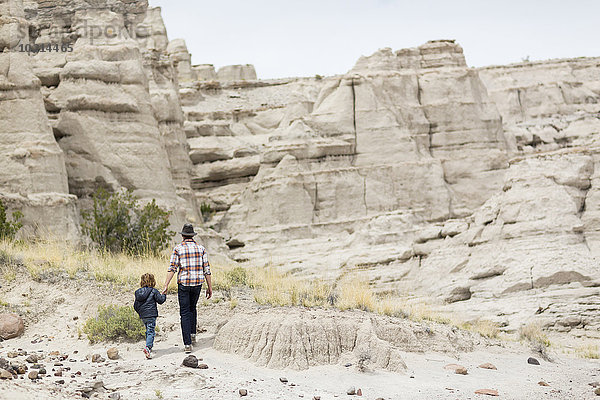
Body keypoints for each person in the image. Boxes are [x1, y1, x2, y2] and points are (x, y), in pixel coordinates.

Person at [162, 223, 212, 353]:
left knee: (184, 312)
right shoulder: (201, 249)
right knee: (193, 308)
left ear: (183, 236)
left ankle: (187, 344)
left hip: (184, 283)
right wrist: (209, 287)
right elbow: (207, 269)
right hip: (197, 284)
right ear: (193, 235)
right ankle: (193, 335)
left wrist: (166, 284)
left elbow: (172, 268)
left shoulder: (178, 249)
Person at [133, 273, 166, 359]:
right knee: (151, 331)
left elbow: (135, 305)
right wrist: (164, 294)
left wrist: (140, 312)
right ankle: (148, 347)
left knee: (148, 330)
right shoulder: (153, 291)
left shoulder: (137, 292)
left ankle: (149, 346)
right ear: (153, 281)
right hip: (151, 314)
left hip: (143, 315)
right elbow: (161, 300)